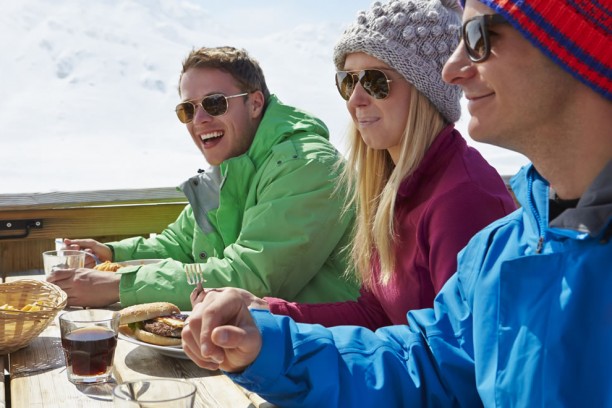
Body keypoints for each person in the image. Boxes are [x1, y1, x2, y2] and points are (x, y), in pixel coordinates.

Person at [181, 0, 612, 406]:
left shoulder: (467, 199)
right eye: (348, 81)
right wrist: (267, 333)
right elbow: (428, 358)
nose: (453, 68)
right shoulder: (508, 244)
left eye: (479, 37)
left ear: (574, 45)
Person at [190, 0, 515, 331]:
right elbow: (376, 315)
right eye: (348, 81)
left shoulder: (462, 199)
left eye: (375, 81)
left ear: (426, 90)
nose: (355, 99)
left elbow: (455, 360)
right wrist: (266, 312)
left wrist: (281, 344)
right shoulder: (389, 188)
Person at [48, 46, 359, 310]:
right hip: (254, 337)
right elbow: (181, 244)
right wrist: (113, 254)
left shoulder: (306, 165)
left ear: (255, 103)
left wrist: (119, 285)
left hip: (321, 350)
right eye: (187, 109)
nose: (199, 120)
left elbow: (252, 278)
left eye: (214, 103)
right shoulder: (228, 167)